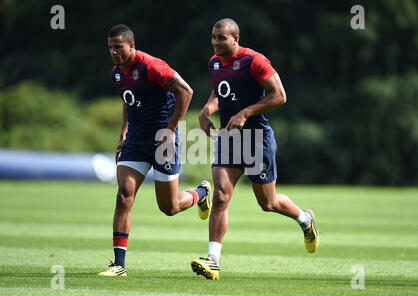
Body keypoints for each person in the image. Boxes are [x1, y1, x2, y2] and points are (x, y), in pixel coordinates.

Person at [190, 18, 319, 280]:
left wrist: (245, 113)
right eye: (213, 37)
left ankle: (305, 220)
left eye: (221, 38)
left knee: (268, 203)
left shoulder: (254, 61)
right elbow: (219, 92)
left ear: (236, 39)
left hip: (257, 139)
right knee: (221, 195)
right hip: (229, 138)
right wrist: (206, 110)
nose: (215, 42)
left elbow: (279, 95)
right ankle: (213, 261)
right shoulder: (214, 63)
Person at [99, 24, 212, 277]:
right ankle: (119, 265)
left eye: (118, 47)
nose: (114, 52)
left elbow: (186, 91)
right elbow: (128, 101)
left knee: (169, 207)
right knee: (124, 196)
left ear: (131, 45)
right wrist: (123, 134)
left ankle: (201, 193)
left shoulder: (151, 66)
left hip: (163, 139)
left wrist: (171, 130)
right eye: (110, 48)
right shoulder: (116, 74)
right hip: (136, 141)